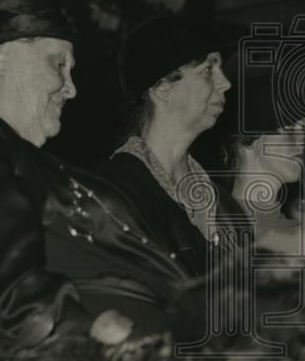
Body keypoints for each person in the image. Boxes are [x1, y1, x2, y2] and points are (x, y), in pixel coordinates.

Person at [0, 0, 187, 340]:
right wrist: (88, 329)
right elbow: (4, 282)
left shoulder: (25, 156)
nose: (70, 89)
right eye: (58, 65)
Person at [102, 15, 248, 279]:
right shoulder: (113, 194)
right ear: (162, 89)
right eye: (208, 70)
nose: (225, 83)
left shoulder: (227, 210)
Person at [219, 55, 305, 260]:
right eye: (289, 128)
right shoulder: (223, 225)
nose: (302, 141)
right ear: (249, 140)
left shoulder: (294, 225)